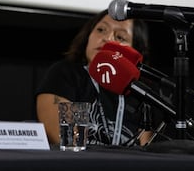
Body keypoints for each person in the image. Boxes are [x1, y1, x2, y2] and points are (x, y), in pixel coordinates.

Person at [35, 9, 157, 147]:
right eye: (101, 30)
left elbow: (146, 150)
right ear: (88, 35)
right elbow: (69, 139)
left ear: (135, 52)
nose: (107, 38)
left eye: (120, 37)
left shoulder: (139, 93)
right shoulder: (69, 73)